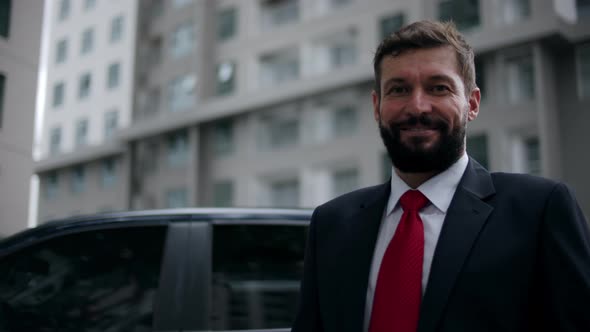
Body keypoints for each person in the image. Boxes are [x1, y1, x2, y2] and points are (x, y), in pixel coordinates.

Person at [291, 20, 590, 332]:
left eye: (438, 88)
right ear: (377, 106)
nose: (417, 106)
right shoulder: (331, 223)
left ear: (471, 104)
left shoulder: (539, 210)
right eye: (399, 89)